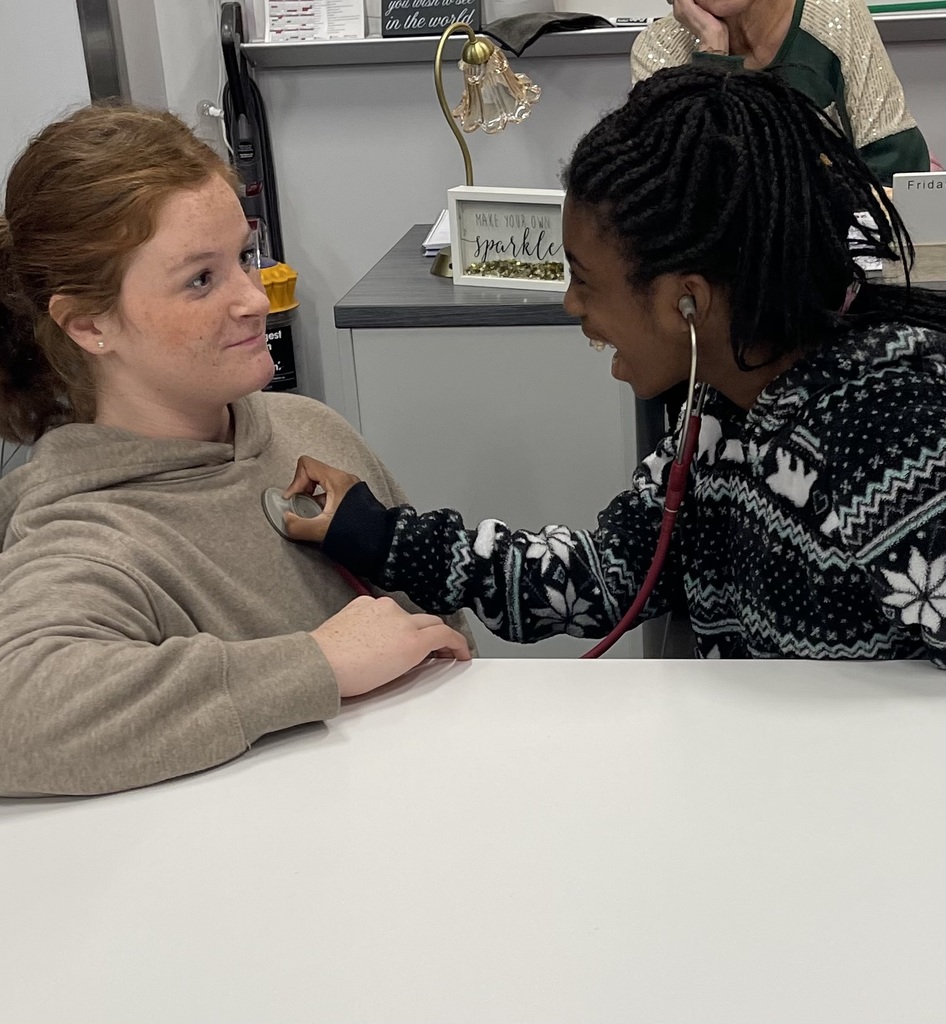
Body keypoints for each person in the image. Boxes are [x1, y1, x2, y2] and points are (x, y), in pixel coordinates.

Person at [279, 65, 946, 667]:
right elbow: (605, 576)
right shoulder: (722, 404)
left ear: (688, 301)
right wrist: (380, 536)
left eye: (585, 281)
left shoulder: (894, 439)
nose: (572, 306)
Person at [0, 104, 471, 798]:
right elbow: (18, 719)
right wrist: (316, 664)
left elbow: (440, 632)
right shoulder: (87, 538)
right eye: (201, 279)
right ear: (89, 324)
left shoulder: (307, 428)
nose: (254, 299)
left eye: (243, 258)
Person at [632, 0, 930, 186]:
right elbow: (685, 191)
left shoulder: (834, 11)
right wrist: (712, 53)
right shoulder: (658, 48)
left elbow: (900, 163)